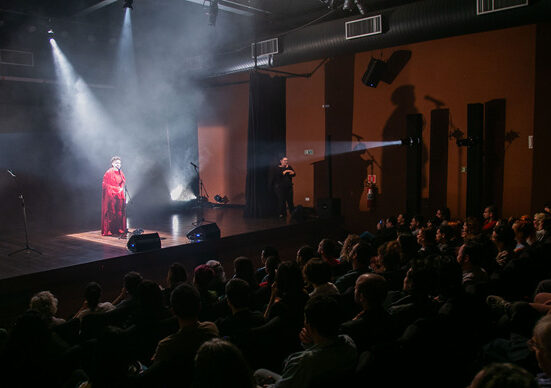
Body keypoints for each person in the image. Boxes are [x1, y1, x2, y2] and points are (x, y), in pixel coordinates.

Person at [101, 156, 126, 236]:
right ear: (112, 164)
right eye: (116, 163)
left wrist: (121, 189)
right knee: (111, 212)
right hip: (111, 195)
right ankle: (108, 230)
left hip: (119, 194)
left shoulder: (121, 172)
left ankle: (118, 229)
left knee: (119, 212)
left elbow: (122, 182)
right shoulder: (109, 172)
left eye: (119, 163)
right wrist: (115, 189)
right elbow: (105, 185)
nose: (118, 164)